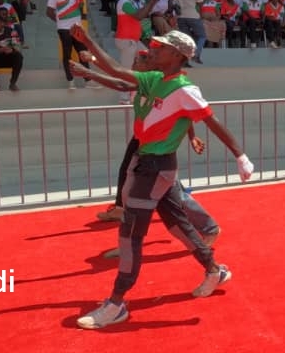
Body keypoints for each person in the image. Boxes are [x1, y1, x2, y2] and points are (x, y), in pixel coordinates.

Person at [67, 26, 255, 329]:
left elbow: (212, 121)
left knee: (131, 233)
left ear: (177, 56)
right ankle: (213, 269)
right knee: (177, 224)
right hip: (150, 165)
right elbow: (116, 71)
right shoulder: (154, 78)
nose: (153, 50)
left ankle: (116, 302)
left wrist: (240, 155)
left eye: (161, 47)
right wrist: (88, 41)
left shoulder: (185, 90)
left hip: (156, 168)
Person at [82, 49, 221, 255]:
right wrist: (93, 64)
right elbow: (119, 79)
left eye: (138, 61)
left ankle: (209, 232)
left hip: (160, 149)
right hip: (143, 143)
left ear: (150, 65)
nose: (133, 65)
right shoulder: (147, 83)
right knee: (135, 191)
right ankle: (128, 241)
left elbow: (182, 114)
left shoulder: (160, 85)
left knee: (173, 196)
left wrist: (191, 136)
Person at [46, 0, 92, 90]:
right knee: (67, 54)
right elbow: (49, 12)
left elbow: (81, 9)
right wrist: (60, 22)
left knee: (83, 53)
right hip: (64, 29)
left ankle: (88, 81)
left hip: (77, 29)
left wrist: (79, 21)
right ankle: (70, 81)